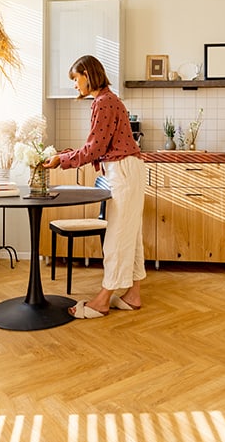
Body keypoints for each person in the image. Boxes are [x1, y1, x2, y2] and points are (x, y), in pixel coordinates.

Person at [42, 55, 146, 319]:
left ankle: (102, 300)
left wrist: (62, 160)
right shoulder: (110, 100)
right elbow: (98, 147)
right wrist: (66, 155)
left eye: (76, 79)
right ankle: (132, 294)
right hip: (126, 168)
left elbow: (96, 149)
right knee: (129, 235)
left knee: (118, 238)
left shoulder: (103, 102)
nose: (75, 85)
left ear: (88, 75)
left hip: (122, 170)